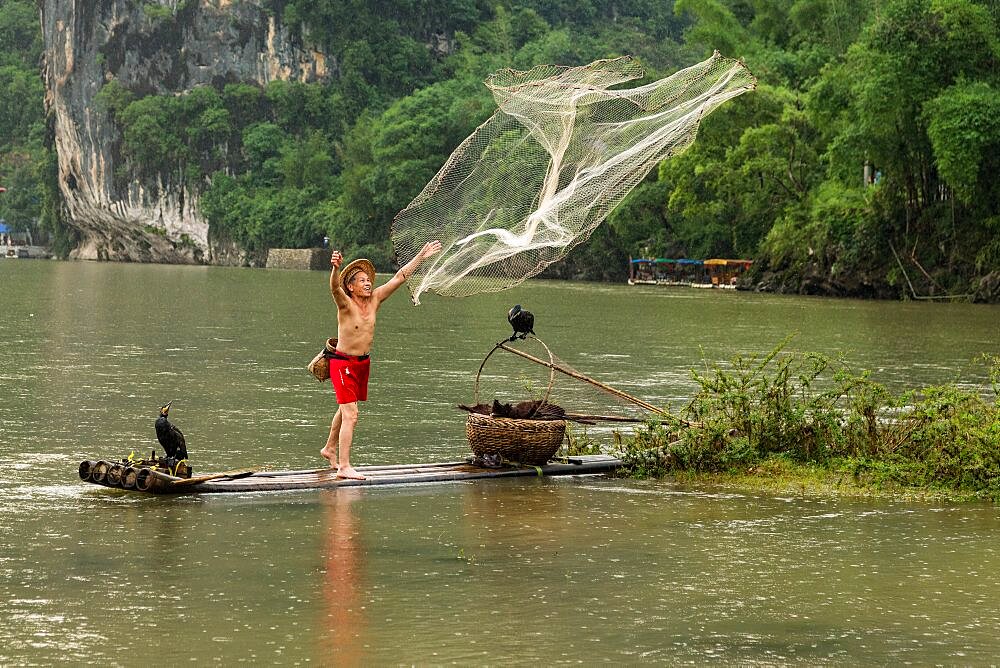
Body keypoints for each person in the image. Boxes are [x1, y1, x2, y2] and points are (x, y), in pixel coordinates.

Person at [320, 240, 443, 479]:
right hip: (342, 362)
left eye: (369, 280)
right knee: (351, 414)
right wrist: (335, 268)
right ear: (351, 287)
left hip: (362, 364)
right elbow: (335, 288)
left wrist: (420, 256)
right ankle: (344, 466)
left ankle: (330, 448)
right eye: (362, 281)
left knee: (345, 409)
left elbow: (399, 277)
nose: (368, 283)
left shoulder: (375, 299)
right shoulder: (345, 303)